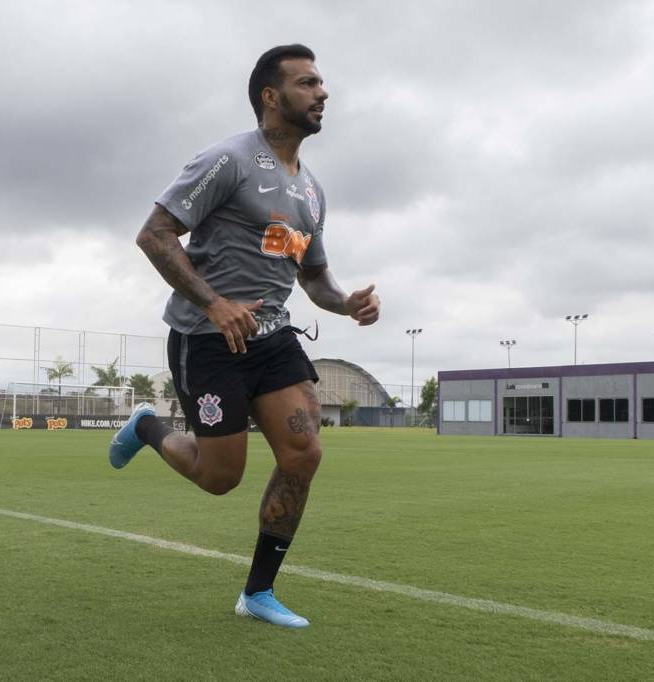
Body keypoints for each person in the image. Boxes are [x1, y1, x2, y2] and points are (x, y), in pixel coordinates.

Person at [109, 44, 380, 629]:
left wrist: (347, 303)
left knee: (304, 453)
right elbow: (154, 235)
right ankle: (147, 427)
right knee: (220, 478)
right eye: (307, 83)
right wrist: (215, 304)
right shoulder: (228, 160)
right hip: (208, 338)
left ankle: (258, 592)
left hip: (273, 337)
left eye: (321, 83)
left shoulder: (313, 192)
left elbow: (314, 277)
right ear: (271, 96)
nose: (322, 93)